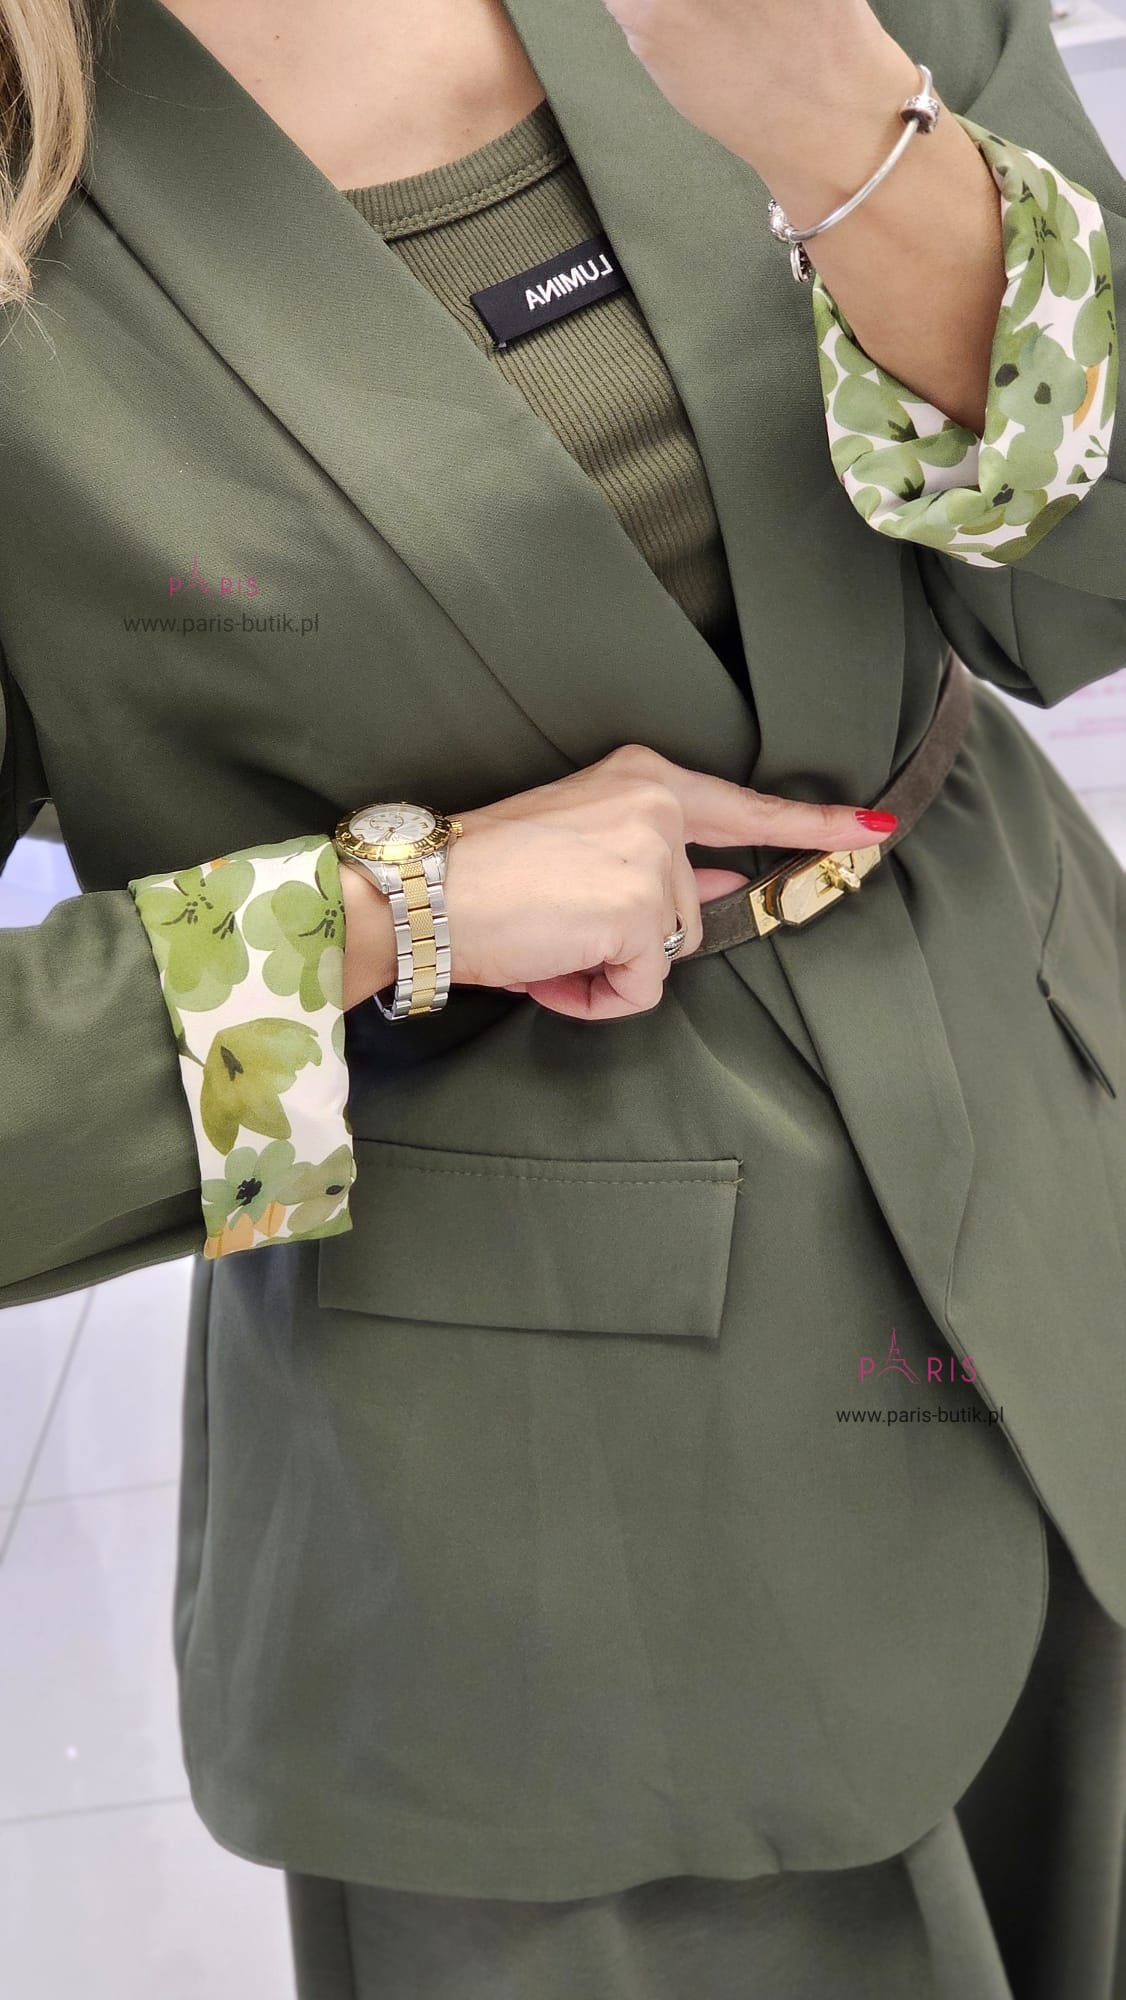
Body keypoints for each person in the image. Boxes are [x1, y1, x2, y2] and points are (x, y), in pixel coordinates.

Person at [1, 0, 1124, 1992]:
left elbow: (1083, 592)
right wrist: (379, 920)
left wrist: (849, 147)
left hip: (1065, 1184)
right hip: (575, 1550)